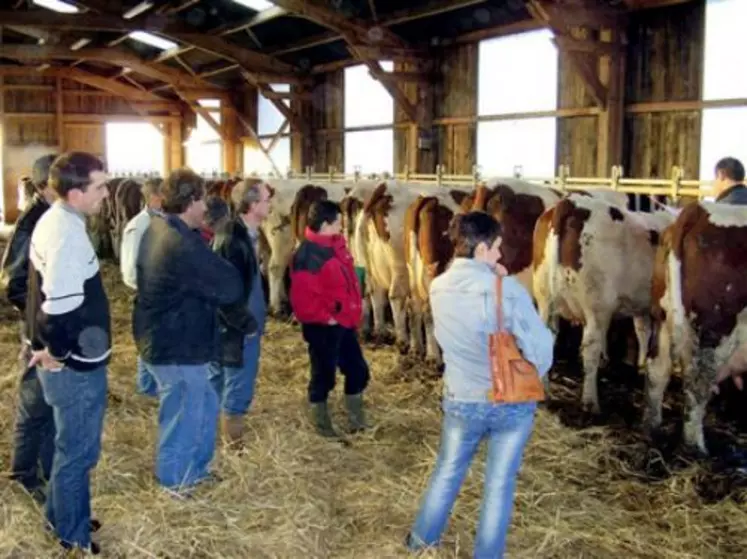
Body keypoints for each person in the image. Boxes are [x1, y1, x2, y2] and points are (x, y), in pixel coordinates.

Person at [405, 212, 554, 559]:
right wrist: (535, 370)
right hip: (509, 403)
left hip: (460, 396)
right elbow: (541, 346)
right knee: (499, 485)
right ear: (483, 248)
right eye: (497, 249)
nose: (501, 256)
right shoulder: (507, 290)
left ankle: (420, 543)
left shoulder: (438, 285)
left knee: (447, 471)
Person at [133, 168, 243, 495]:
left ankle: (195, 470)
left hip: (170, 336)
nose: (206, 209)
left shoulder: (158, 228)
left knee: (205, 403)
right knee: (183, 412)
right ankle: (173, 485)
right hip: (175, 343)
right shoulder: (179, 242)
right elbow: (229, 285)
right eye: (202, 201)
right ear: (192, 201)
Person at [26, 152, 110, 554]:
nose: (107, 194)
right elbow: (57, 305)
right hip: (74, 365)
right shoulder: (66, 234)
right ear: (77, 193)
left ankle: (62, 514)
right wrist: (55, 351)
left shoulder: (60, 221)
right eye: (100, 187)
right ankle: (73, 537)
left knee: (70, 447)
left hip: (72, 359)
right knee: (78, 451)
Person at [0, 154, 57, 502]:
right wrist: (35, 324)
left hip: (47, 322)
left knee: (48, 399)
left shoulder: (50, 216)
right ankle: (23, 473)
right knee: (35, 398)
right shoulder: (33, 220)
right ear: (42, 186)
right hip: (39, 327)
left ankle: (45, 466)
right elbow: (14, 280)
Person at [288, 200, 370, 438]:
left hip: (343, 322)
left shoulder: (336, 246)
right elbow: (302, 301)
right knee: (323, 375)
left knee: (357, 370)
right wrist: (327, 317)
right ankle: (322, 426)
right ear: (325, 224)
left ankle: (357, 421)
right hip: (324, 326)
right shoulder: (307, 255)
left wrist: (353, 306)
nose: (342, 228)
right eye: (338, 223)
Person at [210, 179, 270, 445]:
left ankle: (216, 433)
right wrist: (245, 325)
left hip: (242, 322)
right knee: (236, 379)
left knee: (225, 379)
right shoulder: (233, 239)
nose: (271, 205)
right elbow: (224, 292)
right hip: (237, 327)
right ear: (252, 204)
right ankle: (233, 443)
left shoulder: (245, 234)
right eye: (267, 200)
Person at [119, 177, 164, 398]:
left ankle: (149, 386)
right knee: (150, 339)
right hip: (149, 293)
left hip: (162, 291)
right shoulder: (138, 226)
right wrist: (146, 287)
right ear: (156, 198)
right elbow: (129, 268)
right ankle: (147, 388)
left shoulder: (164, 221)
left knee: (156, 338)